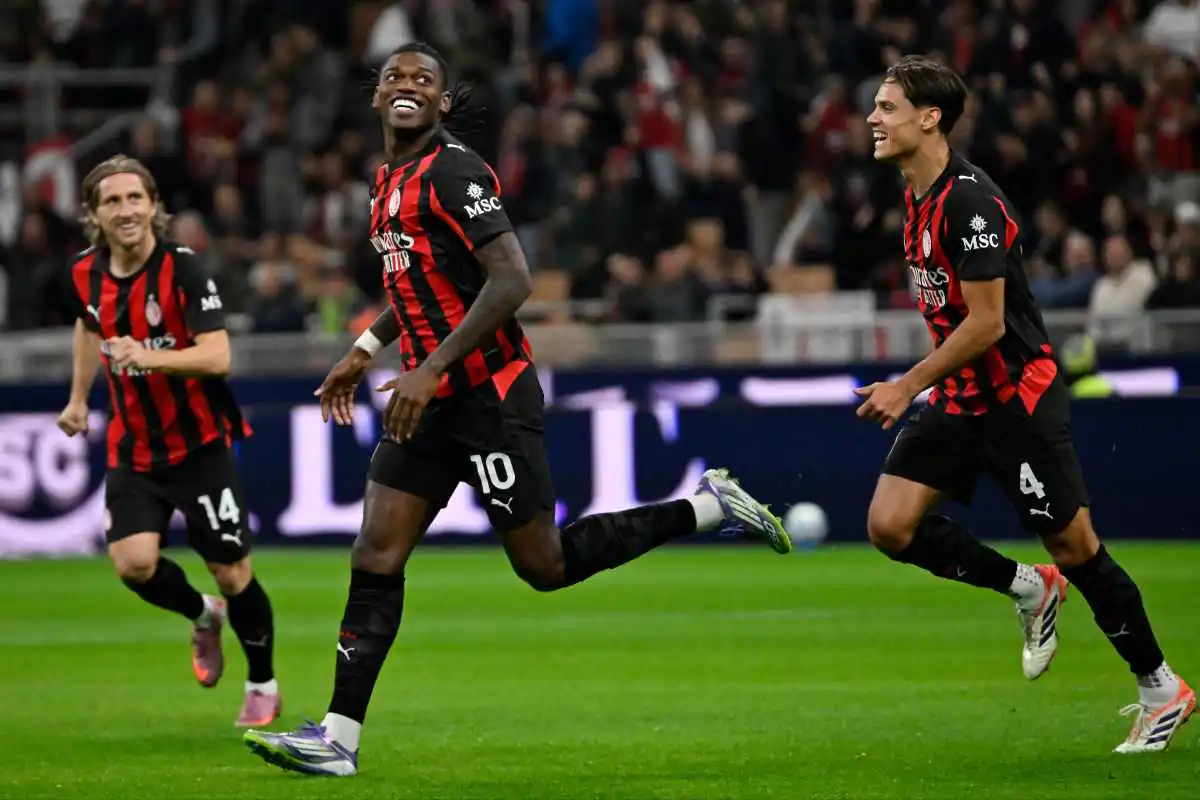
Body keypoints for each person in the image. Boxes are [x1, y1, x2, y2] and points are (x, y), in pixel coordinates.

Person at [242, 42, 790, 777]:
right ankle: (339, 736)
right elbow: (420, 287)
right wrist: (367, 350)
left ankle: (708, 508)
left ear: (441, 103)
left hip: (487, 398)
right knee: (376, 551)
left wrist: (431, 370)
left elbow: (511, 280)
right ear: (376, 96)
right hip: (430, 401)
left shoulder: (455, 170)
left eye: (424, 80)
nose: (408, 86)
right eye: (396, 77)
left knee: (544, 565)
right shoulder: (386, 182)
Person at [856, 55, 1192, 753]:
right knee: (889, 525)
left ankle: (1162, 688)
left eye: (888, 108)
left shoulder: (970, 203)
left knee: (1077, 546)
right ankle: (1027, 588)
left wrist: (905, 384)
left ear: (930, 118)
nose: (873, 119)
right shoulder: (914, 195)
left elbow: (985, 324)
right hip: (959, 399)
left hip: (1015, 400)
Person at [58, 155, 280, 727]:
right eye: (113, 201)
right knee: (133, 565)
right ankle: (201, 615)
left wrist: (147, 354)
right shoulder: (85, 272)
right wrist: (79, 399)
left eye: (136, 198)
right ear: (93, 214)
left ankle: (262, 683)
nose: (126, 210)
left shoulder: (182, 269)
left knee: (233, 573)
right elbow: (89, 326)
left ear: (154, 206)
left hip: (200, 444)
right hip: (134, 447)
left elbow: (218, 356)